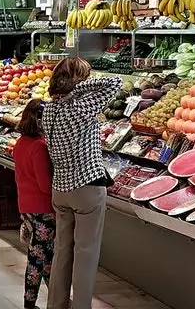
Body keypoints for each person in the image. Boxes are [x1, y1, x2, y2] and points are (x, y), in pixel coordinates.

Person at [41, 57, 121, 309]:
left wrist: (70, 86)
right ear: (79, 81)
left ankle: (56, 304)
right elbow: (115, 82)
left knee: (63, 250)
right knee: (86, 254)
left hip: (60, 189)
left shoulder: (50, 110)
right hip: (86, 186)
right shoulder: (81, 106)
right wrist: (79, 86)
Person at [13, 99, 56, 309]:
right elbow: (44, 185)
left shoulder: (21, 142)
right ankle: (29, 303)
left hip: (26, 206)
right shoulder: (39, 146)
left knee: (47, 255)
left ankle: (58, 298)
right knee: (37, 257)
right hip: (42, 209)